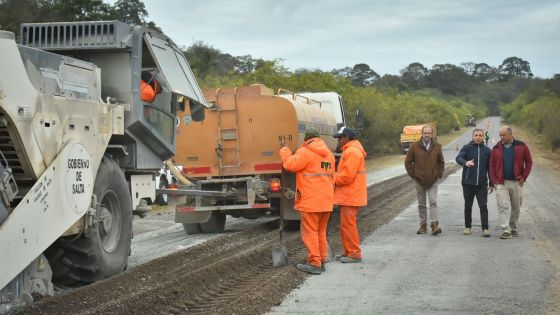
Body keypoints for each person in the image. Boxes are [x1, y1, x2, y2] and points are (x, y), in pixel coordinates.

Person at [279, 127, 335, 274]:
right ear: (319, 138)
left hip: (311, 201)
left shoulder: (305, 152)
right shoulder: (329, 154)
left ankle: (314, 263)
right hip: (327, 200)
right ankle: (321, 260)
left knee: (309, 233)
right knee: (320, 231)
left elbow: (290, 165)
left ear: (306, 139)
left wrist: (284, 151)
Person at [489, 126, 532, 239]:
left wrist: (524, 176)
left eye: (504, 135)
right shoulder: (496, 148)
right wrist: (494, 181)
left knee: (516, 206)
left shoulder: (521, 146)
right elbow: (491, 165)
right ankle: (505, 229)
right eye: (500, 135)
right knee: (503, 206)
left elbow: (529, 162)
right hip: (501, 183)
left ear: (510, 134)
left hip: (517, 182)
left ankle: (513, 227)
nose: (501, 137)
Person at [332, 126, 367, 264]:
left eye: (340, 138)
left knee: (348, 226)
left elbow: (347, 177)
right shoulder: (351, 150)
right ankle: (348, 251)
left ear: (346, 138)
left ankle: (354, 253)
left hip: (350, 195)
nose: (338, 141)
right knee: (346, 225)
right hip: (349, 195)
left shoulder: (352, 152)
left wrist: (331, 178)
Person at [404, 125, 445, 235]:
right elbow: (408, 162)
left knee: (433, 201)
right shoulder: (414, 146)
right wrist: (414, 175)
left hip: (433, 180)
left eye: (429, 133)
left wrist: (439, 174)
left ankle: (434, 225)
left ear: (432, 134)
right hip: (419, 180)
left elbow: (441, 162)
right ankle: (423, 225)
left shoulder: (437, 146)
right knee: (421, 204)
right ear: (422, 134)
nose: (427, 135)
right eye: (425, 133)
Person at [455, 128, 492, 237]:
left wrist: (492, 183)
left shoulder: (487, 150)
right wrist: (466, 162)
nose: (478, 137)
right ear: (472, 136)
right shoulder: (467, 148)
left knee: (483, 205)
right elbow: (458, 158)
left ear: (483, 137)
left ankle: (485, 228)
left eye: (480, 135)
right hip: (467, 183)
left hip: (482, 184)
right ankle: (467, 227)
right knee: (468, 205)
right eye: (476, 135)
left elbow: (490, 168)